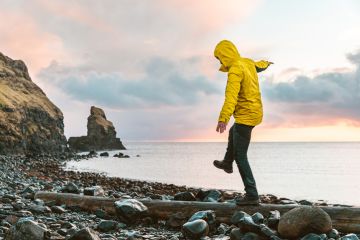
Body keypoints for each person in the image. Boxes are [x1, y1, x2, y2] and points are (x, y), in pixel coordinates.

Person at [213, 40, 272, 205]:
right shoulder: (246, 62)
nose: (220, 62)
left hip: (246, 115)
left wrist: (223, 118)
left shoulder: (235, 70)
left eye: (220, 58)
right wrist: (267, 63)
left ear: (225, 55)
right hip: (255, 112)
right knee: (234, 131)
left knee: (241, 156)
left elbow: (230, 96)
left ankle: (252, 195)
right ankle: (227, 162)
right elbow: (258, 65)